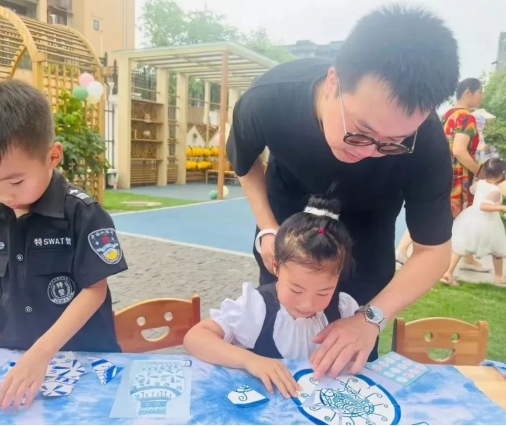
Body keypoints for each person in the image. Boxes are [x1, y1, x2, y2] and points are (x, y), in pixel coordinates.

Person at [227, 4, 458, 378]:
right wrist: (267, 225)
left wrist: (371, 318)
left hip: (366, 243)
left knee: (351, 364)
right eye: (361, 132)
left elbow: (433, 252)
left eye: (392, 143)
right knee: (276, 345)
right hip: (287, 232)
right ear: (333, 82)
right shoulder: (268, 100)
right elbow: (244, 162)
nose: (368, 152)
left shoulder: (427, 144)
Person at [0, 76, 128, 410]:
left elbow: (94, 290)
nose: (3, 195)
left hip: (87, 359)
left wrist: (42, 353)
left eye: (15, 181)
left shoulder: (83, 214)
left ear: (52, 156)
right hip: (15, 359)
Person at [184, 196, 358, 398]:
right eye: (296, 290)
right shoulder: (256, 307)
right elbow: (195, 338)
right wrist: (250, 360)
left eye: (323, 292)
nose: (308, 304)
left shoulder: (343, 309)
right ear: (276, 267)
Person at [397, 78, 487, 271]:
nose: (481, 97)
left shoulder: (447, 115)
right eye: (480, 92)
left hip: (439, 168)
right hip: (457, 174)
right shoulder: (467, 118)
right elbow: (459, 150)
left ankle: (467, 258)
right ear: (468, 92)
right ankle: (405, 249)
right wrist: (480, 171)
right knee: (447, 213)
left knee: (437, 212)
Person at [442, 158, 506, 286]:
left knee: (460, 248)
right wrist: (502, 207)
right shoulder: (495, 191)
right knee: (497, 251)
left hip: (471, 219)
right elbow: (484, 206)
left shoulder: (481, 183)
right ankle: (498, 276)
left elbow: (472, 190)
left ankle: (448, 273)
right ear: (501, 175)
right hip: (487, 223)